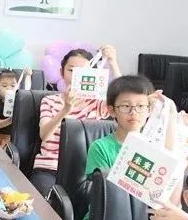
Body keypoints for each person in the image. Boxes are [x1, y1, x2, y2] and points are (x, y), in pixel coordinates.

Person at [83, 75, 188, 220]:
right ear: (112, 110)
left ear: (149, 109)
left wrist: (180, 128)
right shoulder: (100, 147)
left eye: (141, 106)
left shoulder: (155, 143)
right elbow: (109, 194)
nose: (134, 112)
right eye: (126, 106)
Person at [30, 45, 121, 197]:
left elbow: (122, 97)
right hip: (49, 168)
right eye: (71, 70)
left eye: (82, 72)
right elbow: (44, 135)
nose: (76, 76)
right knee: (44, 203)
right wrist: (65, 110)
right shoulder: (49, 101)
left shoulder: (97, 103)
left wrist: (113, 63)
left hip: (83, 172)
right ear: (62, 72)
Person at [0, 69, 32, 150]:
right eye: (4, 86)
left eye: (12, 86)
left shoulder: (20, 103)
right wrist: (12, 119)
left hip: (15, 140)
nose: (9, 89)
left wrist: (28, 76)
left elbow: (27, 91)